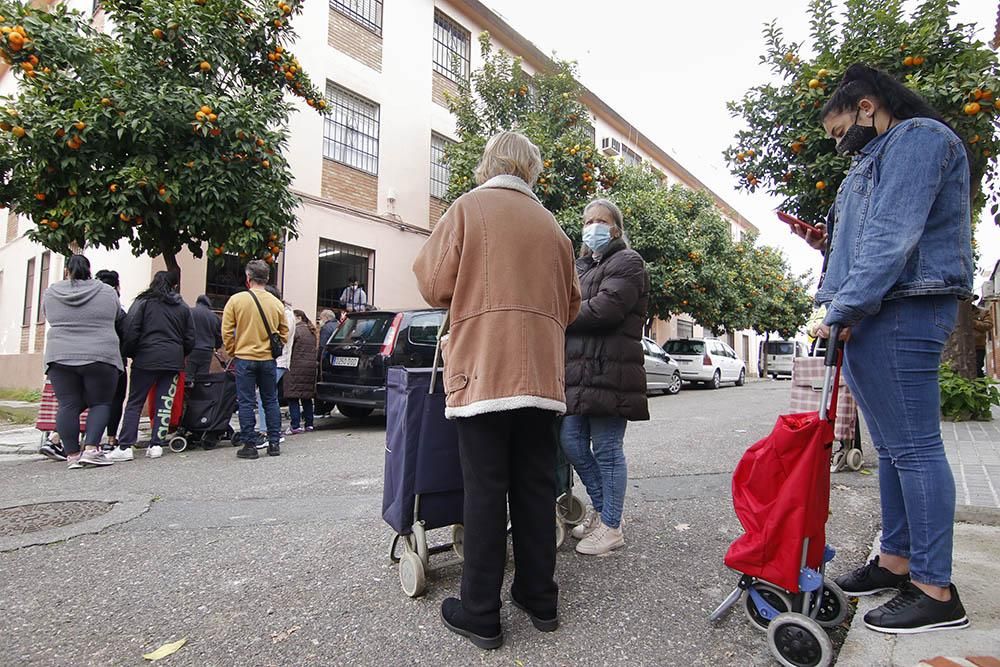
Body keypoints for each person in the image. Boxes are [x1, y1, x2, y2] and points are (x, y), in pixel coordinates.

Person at [795, 63, 973, 635]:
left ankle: (935, 590)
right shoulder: (876, 158)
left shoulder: (919, 139)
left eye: (837, 126)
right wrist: (830, 250)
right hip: (880, 309)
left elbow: (893, 237)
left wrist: (842, 308)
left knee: (914, 448)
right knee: (895, 450)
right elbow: (872, 233)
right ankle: (898, 562)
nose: (836, 139)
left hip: (904, 306)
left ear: (866, 106)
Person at [413, 131, 581, 650]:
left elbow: (433, 283)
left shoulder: (468, 209)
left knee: (484, 490)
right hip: (541, 375)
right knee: (535, 485)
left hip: (485, 370)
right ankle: (539, 596)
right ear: (532, 170)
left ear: (489, 164)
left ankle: (481, 612)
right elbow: (572, 304)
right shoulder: (554, 228)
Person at [561, 199, 650, 556]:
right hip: (579, 374)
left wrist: (562, 311)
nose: (592, 226)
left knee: (608, 450)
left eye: (600, 220)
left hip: (610, 371)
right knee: (571, 444)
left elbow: (604, 310)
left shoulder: (628, 262)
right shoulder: (581, 266)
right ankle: (604, 510)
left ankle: (612, 526)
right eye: (587, 220)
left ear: (615, 228)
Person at [42, 254, 124, 469]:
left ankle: (71, 456)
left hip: (60, 355)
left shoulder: (51, 292)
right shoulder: (106, 291)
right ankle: (91, 450)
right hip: (101, 355)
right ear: (90, 270)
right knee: (100, 403)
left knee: (67, 405)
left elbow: (48, 316)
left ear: (67, 270)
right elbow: (117, 316)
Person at [112, 271, 195, 461]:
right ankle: (156, 444)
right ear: (174, 285)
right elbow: (190, 338)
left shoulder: (143, 302)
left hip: (145, 359)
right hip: (173, 361)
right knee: (164, 402)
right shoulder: (182, 306)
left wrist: (131, 352)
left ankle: (125, 446)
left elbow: (131, 329)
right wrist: (180, 354)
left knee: (135, 402)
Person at [222, 260, 289, 459]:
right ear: (267, 279)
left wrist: (234, 350)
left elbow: (226, 331)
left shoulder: (236, 300)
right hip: (268, 359)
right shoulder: (276, 303)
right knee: (270, 400)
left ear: (248, 278)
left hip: (244, 358)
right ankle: (274, 443)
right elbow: (284, 332)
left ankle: (250, 445)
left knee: (246, 402)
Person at [254, 285, 293, 446]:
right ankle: (272, 430)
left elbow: (283, 336)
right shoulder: (281, 312)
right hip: (272, 359)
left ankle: (268, 431)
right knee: (268, 395)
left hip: (279, 360)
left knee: (264, 394)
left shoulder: (286, 314)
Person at [94, 269, 128, 451]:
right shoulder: (119, 309)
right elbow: (127, 334)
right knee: (115, 399)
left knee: (92, 400)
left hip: (90, 358)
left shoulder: (90, 306)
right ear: (117, 286)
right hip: (116, 361)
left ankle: (90, 441)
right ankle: (111, 439)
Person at [284, 309, 318, 434]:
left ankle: (295, 425)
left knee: (293, 397)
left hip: (295, 367)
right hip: (309, 368)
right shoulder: (311, 330)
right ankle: (309, 424)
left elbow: (288, 348)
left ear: (298, 317)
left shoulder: (296, 331)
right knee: (306, 397)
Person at [187, 295, 223, 379]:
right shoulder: (215, 317)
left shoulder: (189, 312)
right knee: (202, 379)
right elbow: (219, 336)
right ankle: (199, 391)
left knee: (188, 377)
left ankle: (188, 390)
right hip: (207, 351)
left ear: (197, 303)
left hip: (191, 349)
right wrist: (217, 347)